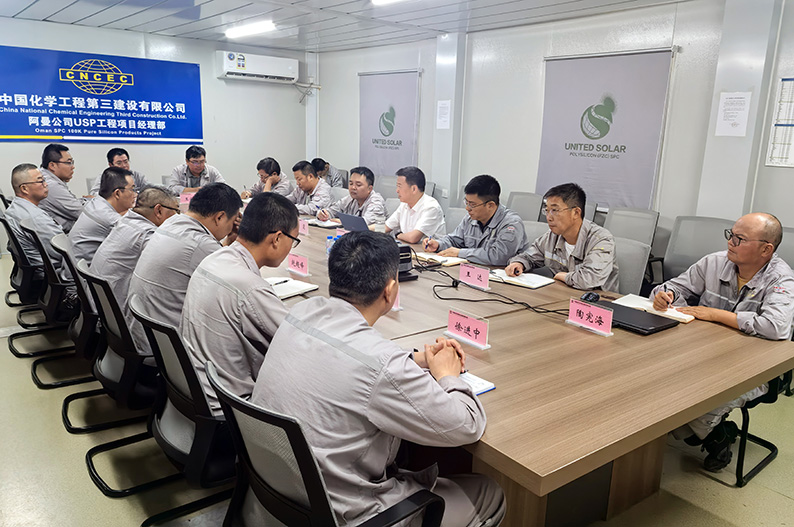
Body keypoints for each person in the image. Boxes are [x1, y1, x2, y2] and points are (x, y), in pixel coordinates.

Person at [251, 231, 505, 527]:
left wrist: (416, 361)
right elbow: (468, 425)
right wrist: (448, 375)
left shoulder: (302, 311)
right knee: (489, 492)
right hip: (344, 515)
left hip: (279, 497)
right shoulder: (382, 366)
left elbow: (358, 359)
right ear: (390, 290)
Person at [652, 212, 794, 472]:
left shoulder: (781, 278)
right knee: (660, 387)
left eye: (740, 239)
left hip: (753, 367)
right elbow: (671, 287)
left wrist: (715, 314)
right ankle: (702, 431)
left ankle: (718, 436)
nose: (730, 242)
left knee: (694, 407)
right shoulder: (714, 262)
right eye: (731, 235)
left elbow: (776, 327)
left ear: (766, 249)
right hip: (703, 354)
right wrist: (666, 294)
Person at [182, 193, 298, 415]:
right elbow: (297, 340)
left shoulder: (215, 258)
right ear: (277, 238)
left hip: (196, 391)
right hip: (229, 411)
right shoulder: (249, 288)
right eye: (294, 240)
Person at [128, 183, 242, 353]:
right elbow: (240, 283)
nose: (232, 227)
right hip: (167, 350)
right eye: (232, 222)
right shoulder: (200, 244)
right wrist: (243, 241)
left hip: (146, 336)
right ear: (219, 217)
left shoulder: (172, 223)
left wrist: (229, 241)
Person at [91, 186, 180, 338]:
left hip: (104, 311)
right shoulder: (147, 235)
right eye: (176, 211)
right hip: (120, 316)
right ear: (158, 210)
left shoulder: (127, 221)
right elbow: (174, 263)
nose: (178, 216)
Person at [505, 183, 618, 291]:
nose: (548, 217)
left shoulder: (601, 240)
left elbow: (589, 279)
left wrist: (562, 276)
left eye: (555, 210)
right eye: (547, 210)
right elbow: (529, 256)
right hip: (562, 294)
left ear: (576, 213)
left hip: (596, 300)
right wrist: (518, 264)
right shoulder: (552, 236)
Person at [423, 175, 528, 266]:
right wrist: (438, 244)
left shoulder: (511, 223)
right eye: (466, 202)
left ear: (490, 205)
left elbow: (499, 256)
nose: (467, 208)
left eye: (472, 204)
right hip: (475, 270)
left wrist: (460, 253)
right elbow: (454, 240)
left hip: (503, 276)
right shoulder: (470, 218)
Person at [4, 163, 71, 283]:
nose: (46, 184)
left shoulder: (15, 207)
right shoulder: (35, 218)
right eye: (41, 181)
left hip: (33, 275)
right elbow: (63, 253)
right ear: (24, 188)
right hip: (49, 277)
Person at [69, 167, 136, 265]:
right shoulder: (110, 219)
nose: (135, 194)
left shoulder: (96, 202)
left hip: (76, 266)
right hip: (86, 271)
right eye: (132, 189)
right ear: (117, 193)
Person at [384, 166, 446, 244]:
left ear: (414, 189)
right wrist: (369, 230)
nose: (397, 190)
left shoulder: (431, 207)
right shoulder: (404, 205)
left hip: (427, 250)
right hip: (409, 247)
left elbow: (413, 238)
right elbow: (386, 227)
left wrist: (398, 235)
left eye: (399, 186)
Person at [38, 143, 86, 233]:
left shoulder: (48, 177)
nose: (73, 167)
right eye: (68, 163)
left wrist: (86, 201)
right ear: (52, 165)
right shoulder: (50, 185)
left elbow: (73, 203)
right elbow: (82, 213)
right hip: (61, 236)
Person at [316, 166, 387, 225]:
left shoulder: (376, 201)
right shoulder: (350, 198)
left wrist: (343, 222)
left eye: (358, 185)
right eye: (351, 184)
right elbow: (333, 210)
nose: (353, 187)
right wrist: (324, 214)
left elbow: (364, 223)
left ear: (369, 189)